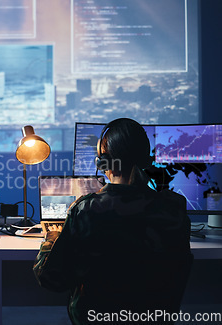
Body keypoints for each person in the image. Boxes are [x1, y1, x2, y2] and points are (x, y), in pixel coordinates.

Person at [33, 118, 192, 324]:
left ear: (104, 163)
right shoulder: (174, 208)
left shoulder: (86, 210)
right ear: (146, 159)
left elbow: (51, 278)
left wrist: (51, 239)